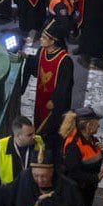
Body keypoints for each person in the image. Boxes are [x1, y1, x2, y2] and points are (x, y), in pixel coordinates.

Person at [0, 149, 86, 206]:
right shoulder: (25, 177)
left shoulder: (68, 188)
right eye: (36, 175)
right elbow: (8, 191)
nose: (40, 180)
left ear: (53, 172)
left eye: (44, 176)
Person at [21, 19, 74, 147]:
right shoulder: (42, 51)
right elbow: (35, 68)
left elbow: (64, 85)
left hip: (55, 104)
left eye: (44, 37)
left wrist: (54, 100)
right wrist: (27, 58)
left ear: (53, 41)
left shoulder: (65, 61)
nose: (41, 39)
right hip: (41, 97)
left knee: (51, 131)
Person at [60, 106, 103, 206]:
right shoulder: (73, 144)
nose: (98, 125)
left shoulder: (93, 140)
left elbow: (92, 162)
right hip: (76, 193)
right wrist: (95, 178)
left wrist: (101, 152)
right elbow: (73, 173)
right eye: (97, 122)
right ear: (88, 124)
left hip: (88, 190)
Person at [0, 116, 43, 188]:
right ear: (18, 136)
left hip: (32, 192)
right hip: (9, 194)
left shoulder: (38, 141)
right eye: (29, 135)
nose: (34, 136)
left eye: (34, 132)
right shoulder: (0, 147)